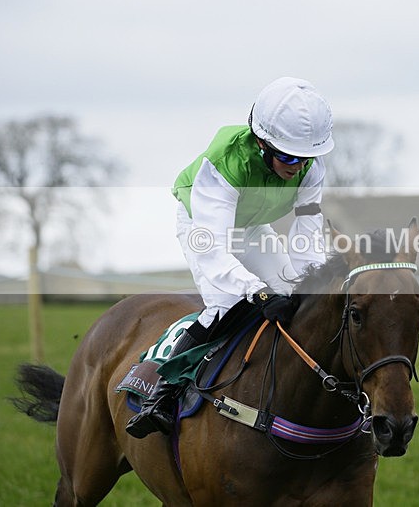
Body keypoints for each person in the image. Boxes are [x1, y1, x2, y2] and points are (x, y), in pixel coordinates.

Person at [126, 77, 334, 438]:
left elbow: (307, 240)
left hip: (251, 229)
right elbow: (214, 250)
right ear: (261, 142)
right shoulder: (225, 162)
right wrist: (255, 290)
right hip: (204, 228)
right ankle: (162, 394)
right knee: (227, 304)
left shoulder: (311, 170)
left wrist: (313, 282)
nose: (297, 167)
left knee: (296, 296)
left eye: (305, 158)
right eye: (287, 156)